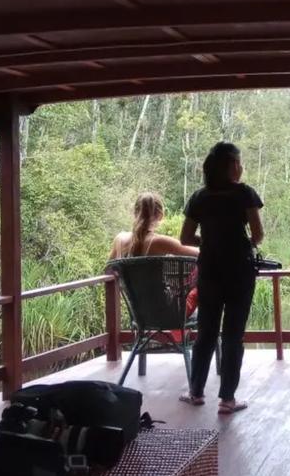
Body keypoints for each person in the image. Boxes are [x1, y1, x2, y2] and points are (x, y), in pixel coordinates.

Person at [179, 142, 264, 414]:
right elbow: (258, 234)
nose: (241, 167)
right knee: (232, 334)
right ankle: (227, 399)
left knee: (206, 331)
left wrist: (209, 239)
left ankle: (195, 392)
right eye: (238, 162)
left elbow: (185, 238)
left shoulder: (199, 197)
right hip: (240, 270)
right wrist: (241, 242)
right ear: (231, 166)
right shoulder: (245, 194)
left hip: (210, 270)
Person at [109, 192, 201, 313]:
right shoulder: (159, 242)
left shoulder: (119, 239)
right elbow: (201, 253)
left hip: (138, 314)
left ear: (134, 212)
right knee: (206, 273)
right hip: (169, 313)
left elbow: (109, 270)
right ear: (160, 215)